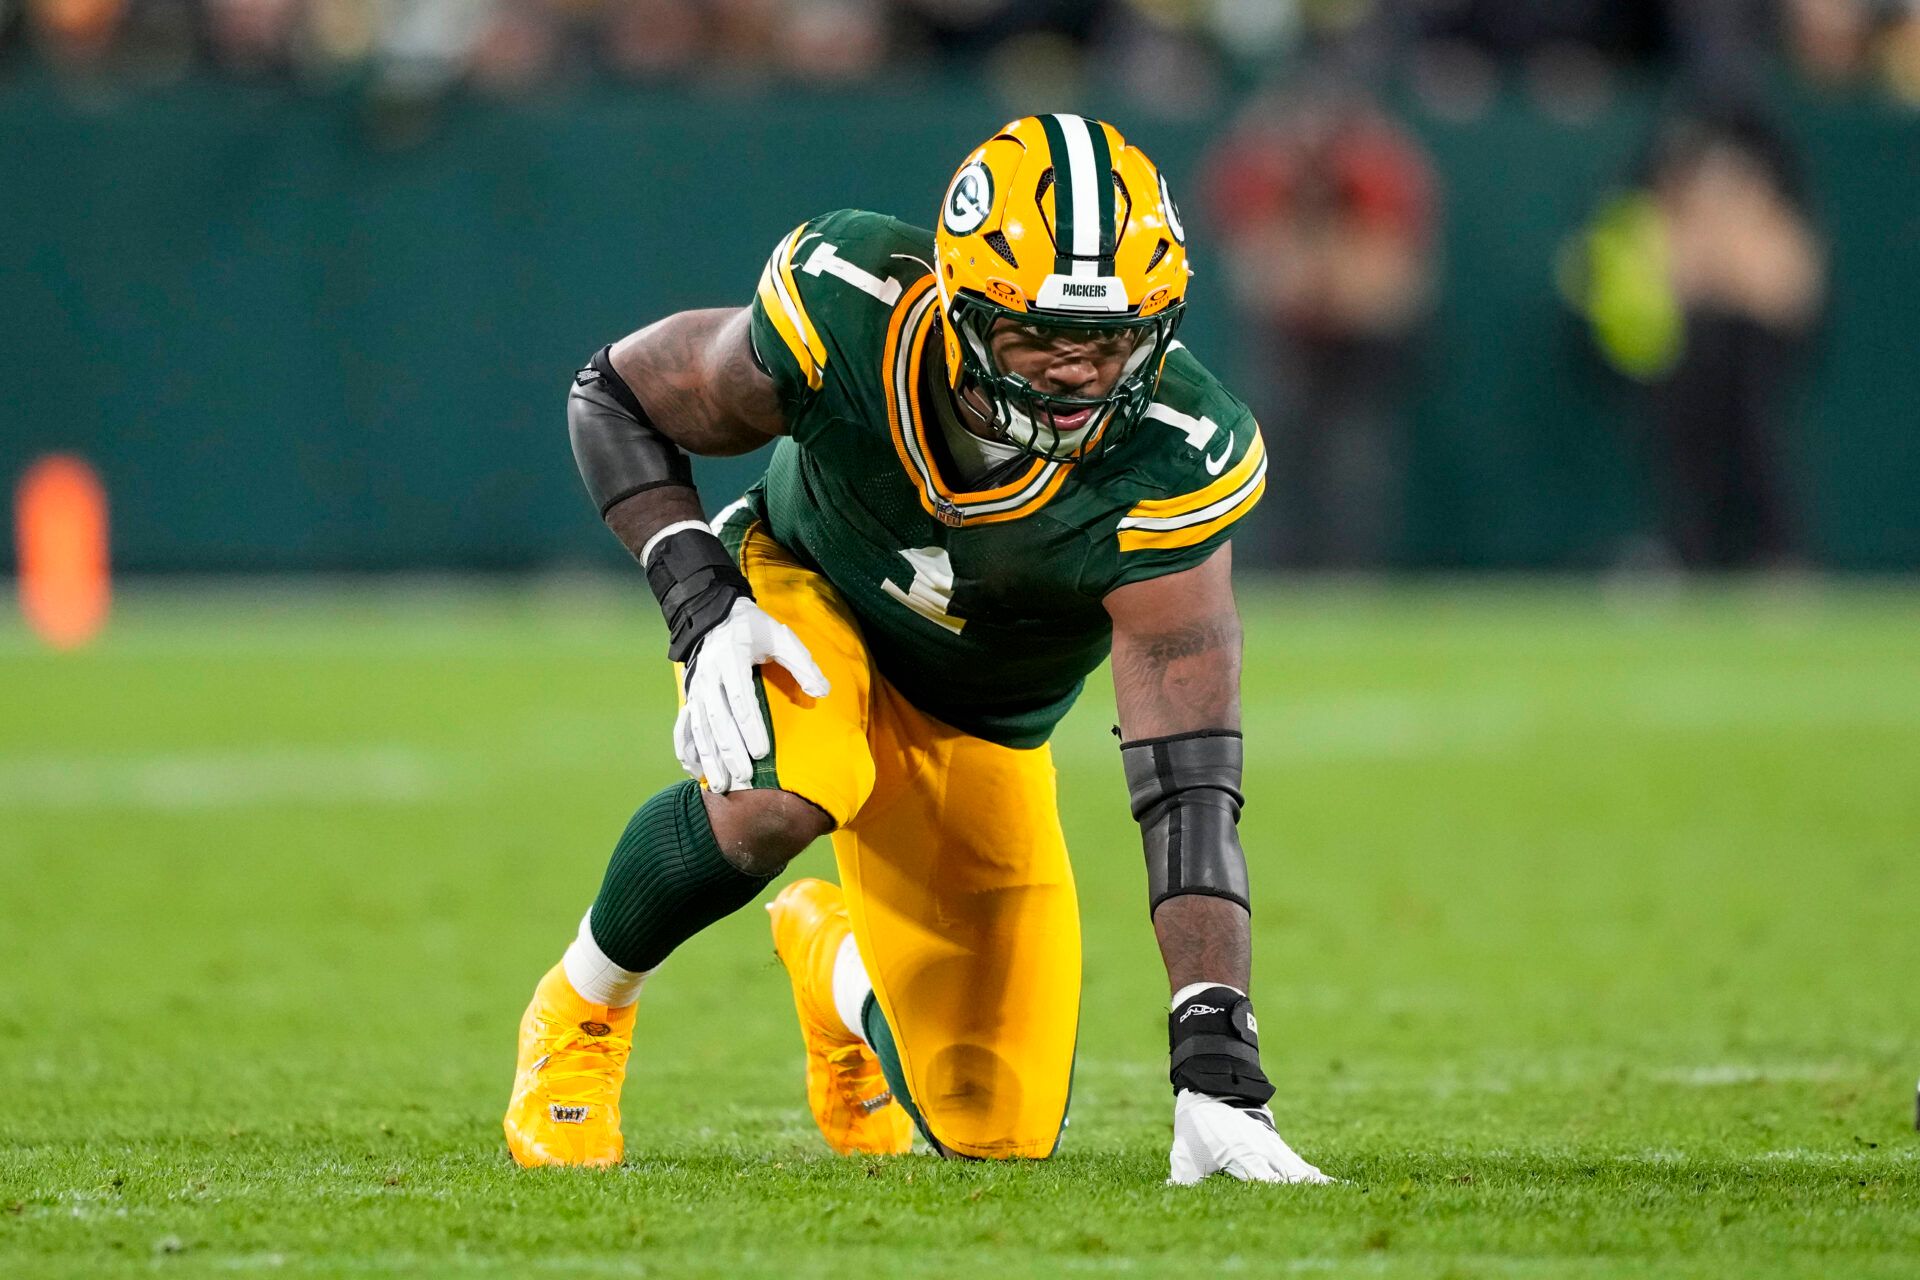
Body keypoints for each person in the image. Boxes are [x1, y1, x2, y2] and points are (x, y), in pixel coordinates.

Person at [502, 114, 1329, 1185]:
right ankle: (583, 1004)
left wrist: (1216, 1058)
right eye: (1039, 333)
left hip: (981, 720)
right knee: (782, 793)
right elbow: (613, 393)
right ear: (962, 305)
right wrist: (700, 595)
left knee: (995, 1127)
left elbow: (1189, 786)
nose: (1080, 371)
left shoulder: (1177, 453)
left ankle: (829, 957)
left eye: (1114, 335)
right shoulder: (851, 304)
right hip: (804, 596)